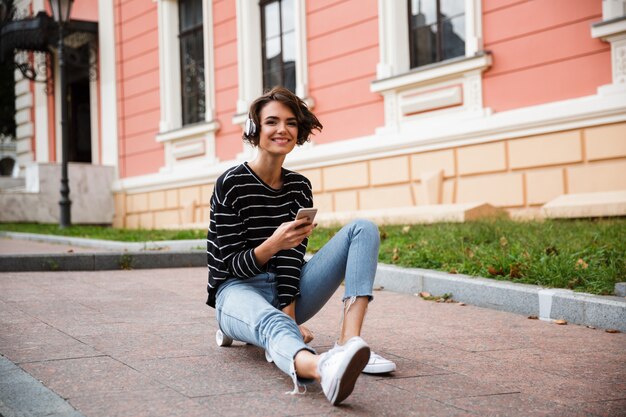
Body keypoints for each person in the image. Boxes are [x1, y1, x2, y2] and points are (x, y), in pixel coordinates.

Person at [206, 86, 396, 406]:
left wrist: (290, 309)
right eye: (272, 122)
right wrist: (273, 244)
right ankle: (324, 368)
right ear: (254, 129)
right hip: (235, 289)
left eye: (291, 123)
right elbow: (227, 266)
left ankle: (349, 343)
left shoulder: (299, 186)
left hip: (284, 288)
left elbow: (293, 259)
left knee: (362, 229)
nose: (283, 129)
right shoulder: (231, 184)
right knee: (273, 324)